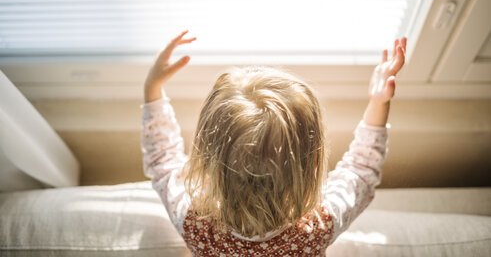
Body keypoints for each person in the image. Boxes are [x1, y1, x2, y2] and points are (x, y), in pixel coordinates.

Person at [141, 31, 406, 256]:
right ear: (312, 163)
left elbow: (162, 160)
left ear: (207, 161)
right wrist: (379, 102)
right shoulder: (316, 227)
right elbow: (361, 170)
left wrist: (153, 88)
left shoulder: (195, 224)